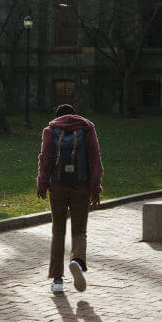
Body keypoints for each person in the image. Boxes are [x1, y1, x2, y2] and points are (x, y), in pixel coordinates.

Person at [37, 103, 103, 294]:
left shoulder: (50, 130)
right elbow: (95, 160)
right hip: (81, 187)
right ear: (75, 115)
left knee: (58, 231)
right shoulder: (87, 129)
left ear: (57, 116)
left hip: (57, 187)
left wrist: (42, 184)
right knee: (79, 231)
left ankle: (57, 280)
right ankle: (77, 261)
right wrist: (95, 188)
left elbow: (45, 159)